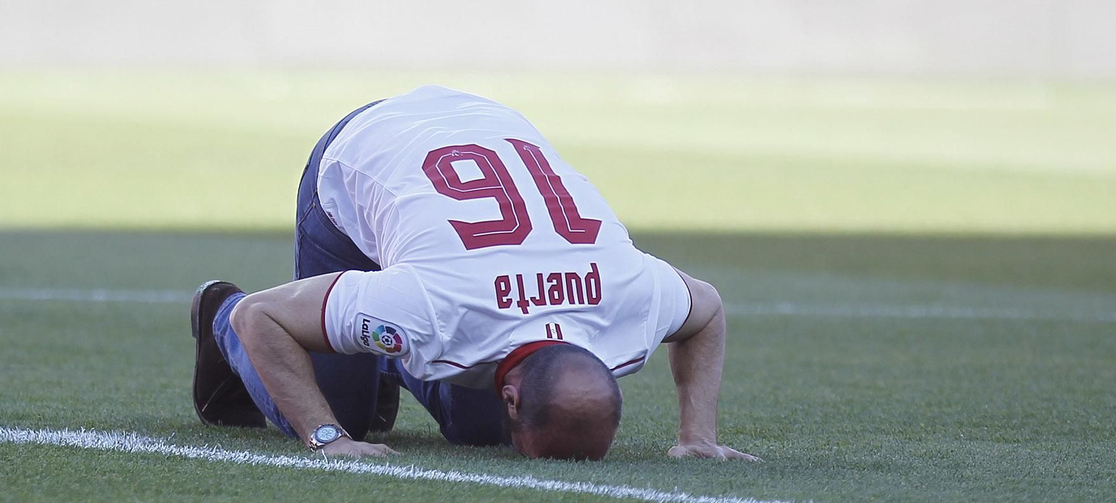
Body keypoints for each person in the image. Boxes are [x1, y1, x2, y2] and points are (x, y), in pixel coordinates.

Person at [190, 85, 758, 463]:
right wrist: (327, 437)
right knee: (344, 414)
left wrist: (698, 438)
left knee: (480, 431)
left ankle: (381, 352)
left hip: (478, 136)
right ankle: (212, 316)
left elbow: (704, 308)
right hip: (360, 154)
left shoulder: (629, 294)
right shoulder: (434, 304)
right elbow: (261, 317)